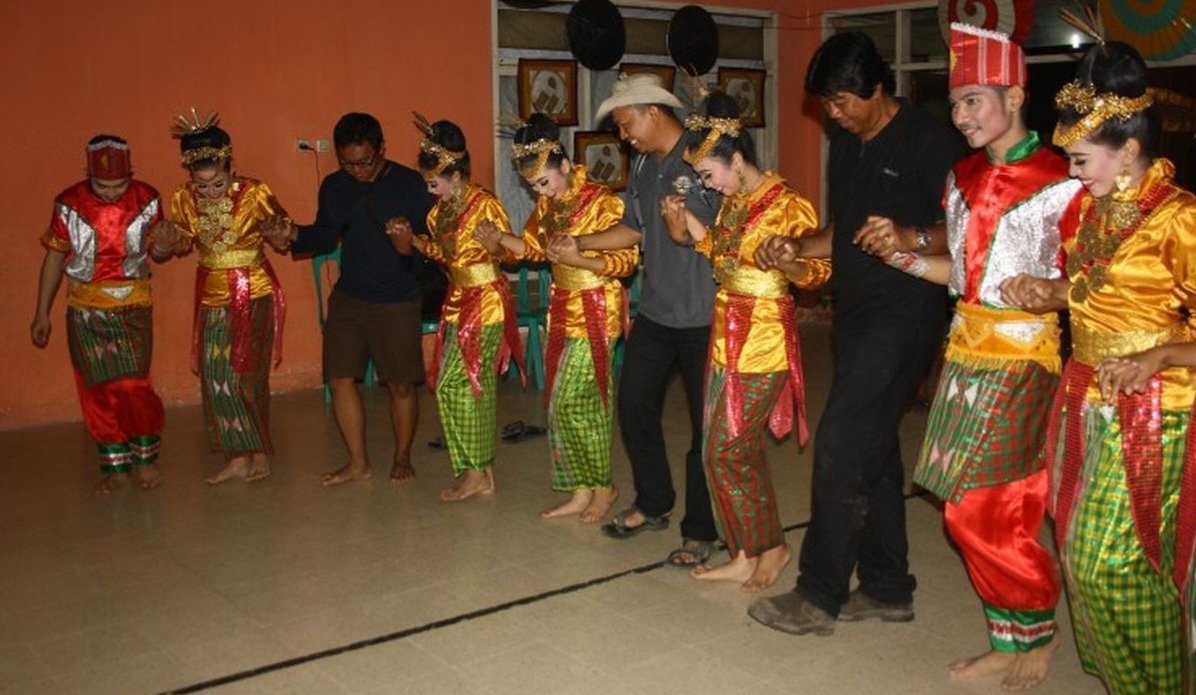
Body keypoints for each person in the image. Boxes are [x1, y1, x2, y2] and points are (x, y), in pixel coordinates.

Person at [861, 25, 1081, 690]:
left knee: (988, 507)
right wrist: (899, 255)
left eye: (975, 102)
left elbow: (1100, 284)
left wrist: (1053, 292)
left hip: (1022, 358)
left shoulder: (1062, 180)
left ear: (1015, 94)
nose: (961, 117)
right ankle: (1009, 633)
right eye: (955, 104)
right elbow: (960, 271)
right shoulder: (962, 177)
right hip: (964, 354)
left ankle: (1035, 631)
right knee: (970, 505)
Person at [748, 31, 965, 634]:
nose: (835, 115)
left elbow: (968, 232)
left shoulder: (929, 141)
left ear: (877, 87)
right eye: (827, 105)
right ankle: (889, 588)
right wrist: (793, 245)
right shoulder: (845, 146)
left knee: (842, 446)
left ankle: (818, 595)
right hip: (856, 318)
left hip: (906, 318)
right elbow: (839, 234)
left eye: (843, 101)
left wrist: (910, 237)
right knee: (873, 451)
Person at [1003, 40, 1196, 695]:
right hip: (1085, 390)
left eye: (1082, 160)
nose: (1075, 173)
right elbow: (1095, 289)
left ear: (1130, 151)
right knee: (1083, 557)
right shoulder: (1092, 210)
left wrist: (1161, 352)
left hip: (1155, 404)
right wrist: (1048, 290)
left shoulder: (1181, 219)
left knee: (1116, 561)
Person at [660, 92, 830, 591]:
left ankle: (772, 547)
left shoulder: (787, 204)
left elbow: (815, 274)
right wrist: (684, 223)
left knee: (726, 450)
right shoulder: (734, 204)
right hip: (725, 334)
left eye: (710, 174)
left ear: (737, 160)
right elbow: (718, 249)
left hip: (764, 338)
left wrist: (789, 262)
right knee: (729, 451)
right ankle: (745, 549)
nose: (707, 185)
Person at [557, 72, 724, 567]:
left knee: (704, 429)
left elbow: (728, 231)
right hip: (655, 311)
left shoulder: (705, 155)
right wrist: (579, 244)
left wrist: (689, 230)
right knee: (634, 406)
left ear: (654, 110)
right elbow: (632, 228)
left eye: (627, 123)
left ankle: (702, 529)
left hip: (704, 315)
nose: (623, 135)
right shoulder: (645, 166)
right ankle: (653, 503)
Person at [265, 113, 433, 486]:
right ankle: (358, 462)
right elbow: (324, 237)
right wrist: (291, 235)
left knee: (401, 384)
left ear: (382, 150)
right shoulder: (335, 186)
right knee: (340, 379)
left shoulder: (409, 185)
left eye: (364, 162)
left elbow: (433, 250)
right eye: (348, 163)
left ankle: (402, 456)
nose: (356, 170)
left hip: (397, 296)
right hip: (350, 295)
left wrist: (408, 248)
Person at [488, 114, 636, 521]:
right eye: (534, 187)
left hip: (596, 309)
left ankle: (604, 486)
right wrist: (500, 239)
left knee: (576, 403)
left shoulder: (603, 201)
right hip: (562, 309)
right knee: (562, 402)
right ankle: (580, 488)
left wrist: (579, 257)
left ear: (566, 166)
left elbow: (625, 261)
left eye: (544, 182)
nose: (542, 193)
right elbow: (534, 249)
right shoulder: (548, 206)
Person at [152, 114, 292, 485]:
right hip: (212, 293)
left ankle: (259, 450)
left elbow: (282, 233)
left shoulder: (255, 193)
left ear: (231, 168)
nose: (211, 192)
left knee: (248, 376)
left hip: (254, 289)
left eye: (218, 183)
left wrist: (280, 235)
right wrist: (165, 245)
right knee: (215, 378)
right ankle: (236, 455)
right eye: (203, 185)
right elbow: (177, 243)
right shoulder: (183, 198)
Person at [31, 135, 168, 493]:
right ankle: (115, 465)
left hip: (133, 306)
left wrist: (168, 243)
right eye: (102, 185)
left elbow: (163, 249)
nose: (110, 193)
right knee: (96, 390)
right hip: (85, 309)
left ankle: (145, 458)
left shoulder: (148, 199)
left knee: (132, 384)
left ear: (131, 175)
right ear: (88, 175)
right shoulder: (68, 203)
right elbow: (54, 259)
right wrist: (41, 313)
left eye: (119, 185)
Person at [408, 118, 525, 502]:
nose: (431, 191)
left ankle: (476, 471)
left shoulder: (484, 204)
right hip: (458, 298)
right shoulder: (437, 214)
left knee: (463, 384)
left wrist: (493, 245)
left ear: (455, 175)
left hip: (487, 298)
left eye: (434, 182)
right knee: (460, 386)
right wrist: (416, 242)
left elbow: (509, 254)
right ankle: (477, 470)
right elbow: (444, 256)